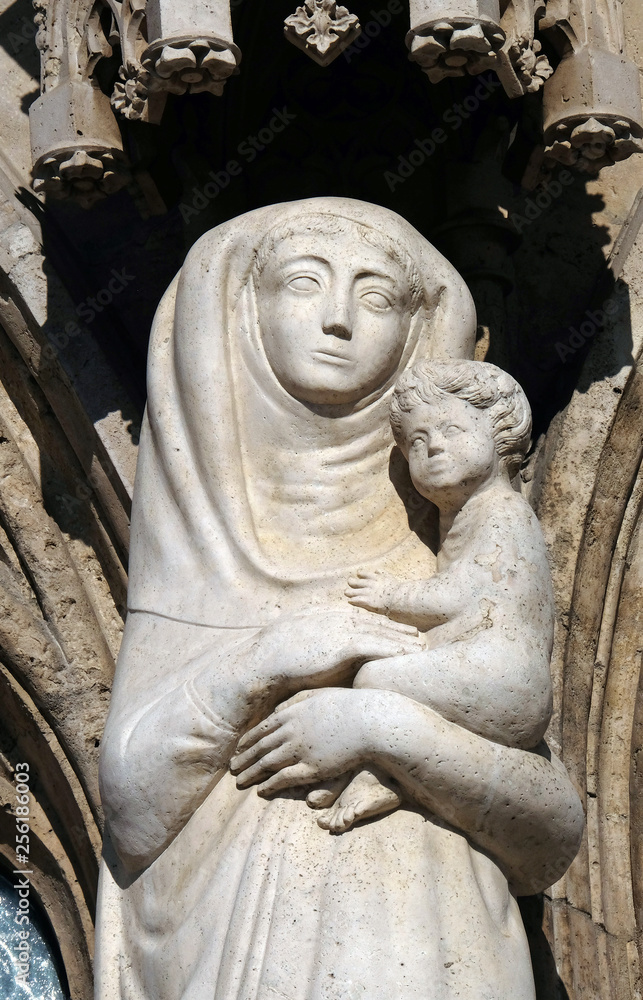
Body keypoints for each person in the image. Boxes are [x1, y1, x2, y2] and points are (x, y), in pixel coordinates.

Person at [95, 199, 583, 1000]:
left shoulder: (459, 537)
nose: (336, 320)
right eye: (301, 282)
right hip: (231, 948)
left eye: (376, 296)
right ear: (237, 314)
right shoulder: (195, 554)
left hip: (436, 946)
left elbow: (551, 832)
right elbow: (135, 816)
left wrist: (377, 726)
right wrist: (264, 661)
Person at [242, 360, 554, 834]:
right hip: (483, 667)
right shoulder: (470, 515)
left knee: (375, 679)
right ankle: (381, 776)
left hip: (503, 675)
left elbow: (464, 594)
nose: (435, 447)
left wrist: (391, 594)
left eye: (451, 429)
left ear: (500, 433)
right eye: (418, 442)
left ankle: (378, 767)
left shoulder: (503, 512)